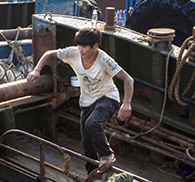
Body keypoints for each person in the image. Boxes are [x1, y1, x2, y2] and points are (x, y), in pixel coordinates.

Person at [26, 27, 134, 173]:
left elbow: (128, 79)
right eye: (79, 45)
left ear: (95, 46)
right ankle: (92, 174)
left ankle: (107, 155)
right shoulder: (73, 53)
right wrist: (37, 70)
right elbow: (49, 54)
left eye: (84, 47)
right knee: (87, 141)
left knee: (93, 123)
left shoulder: (104, 60)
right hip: (87, 101)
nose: (81, 50)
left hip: (107, 97)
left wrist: (126, 103)